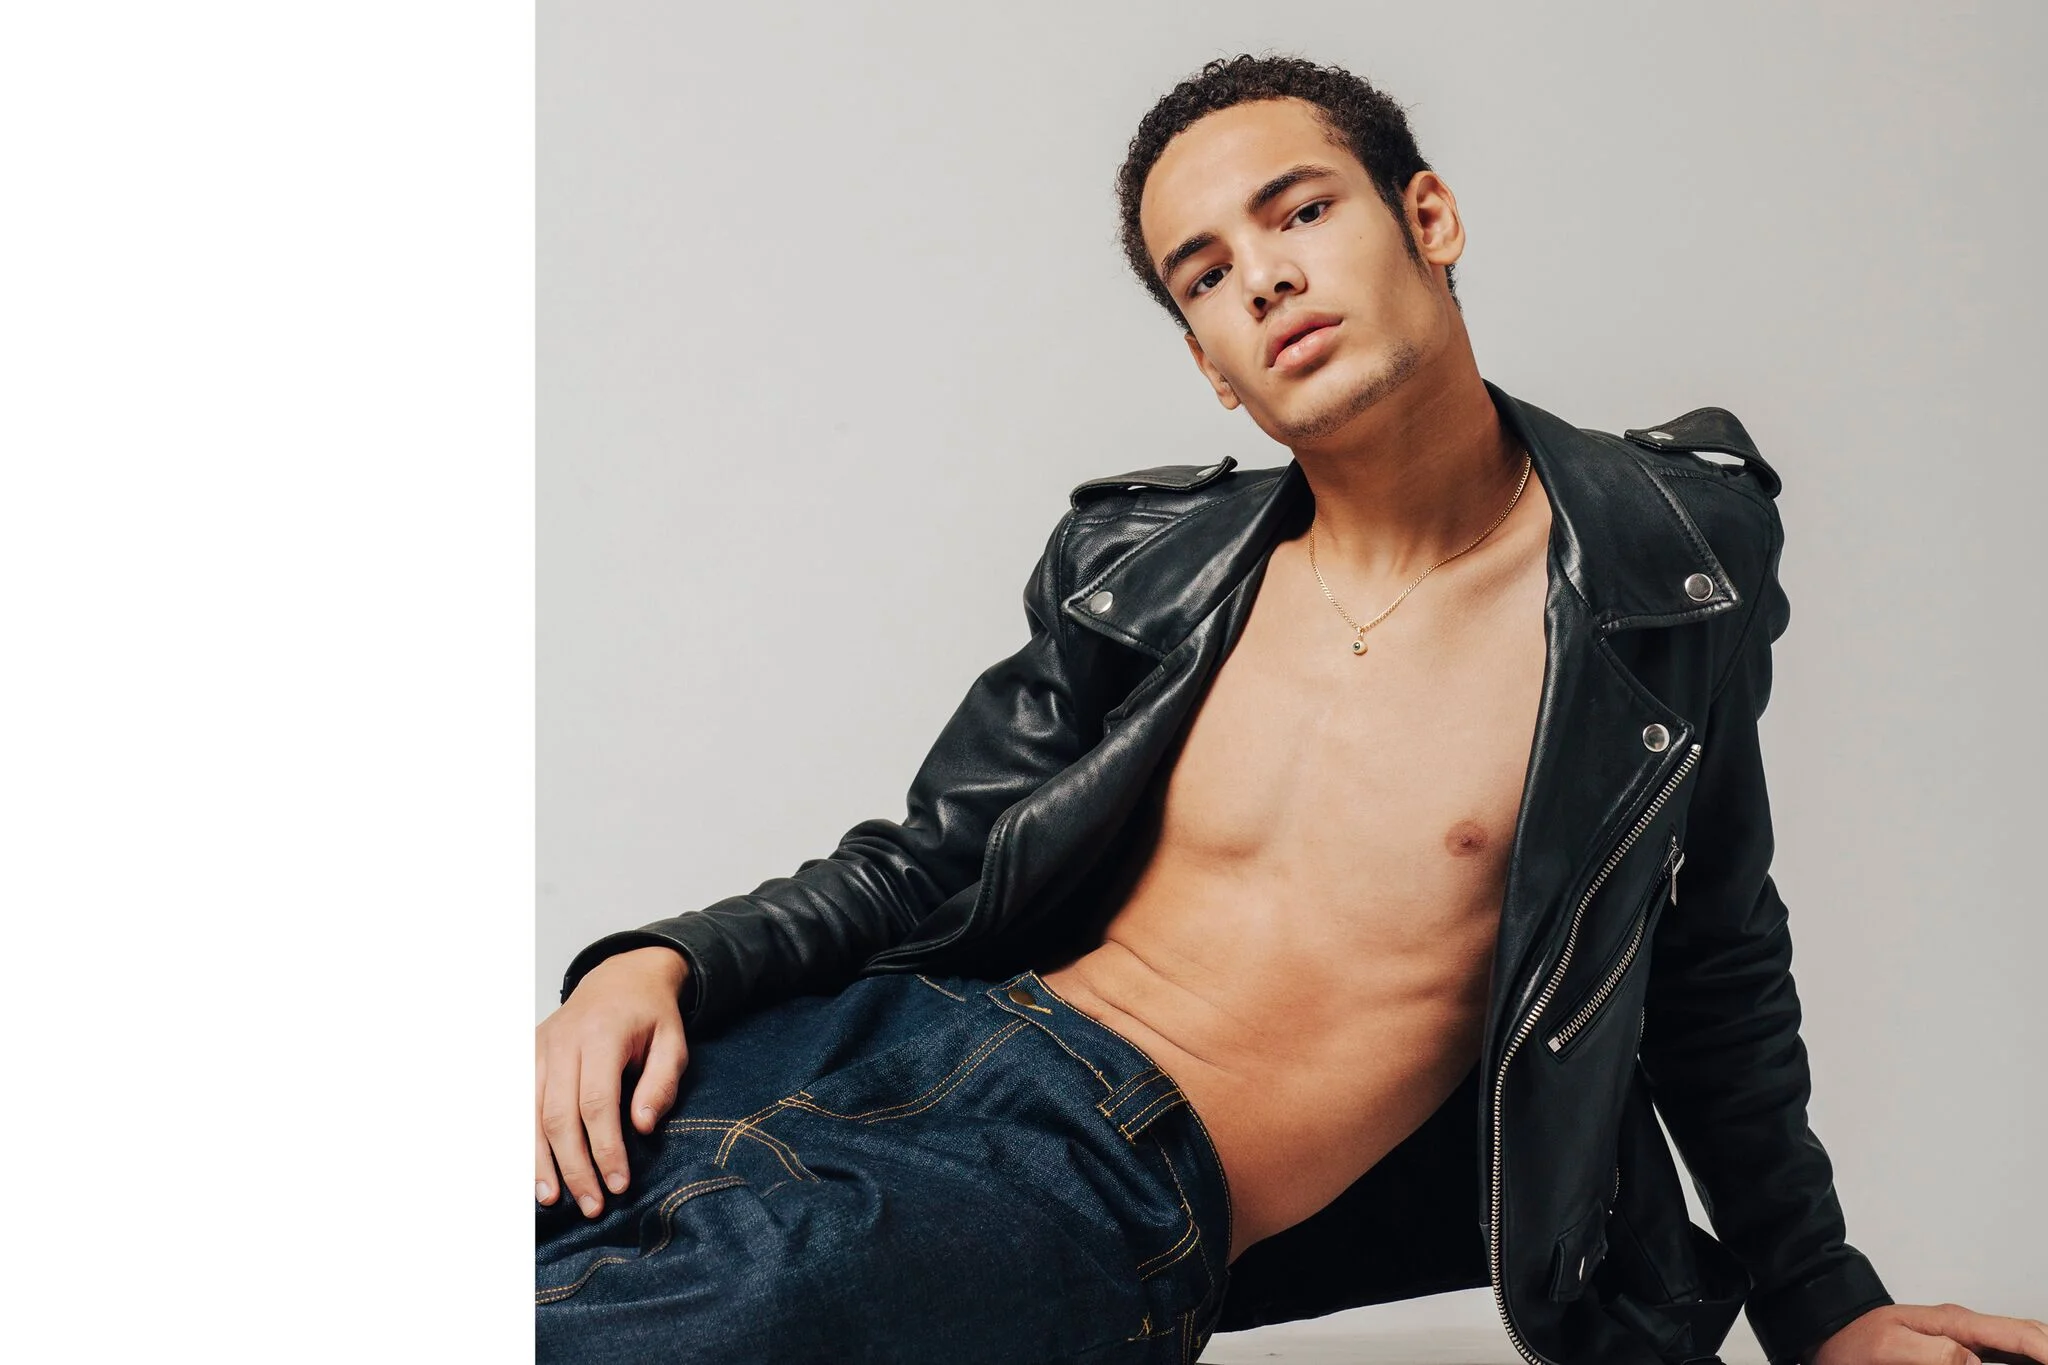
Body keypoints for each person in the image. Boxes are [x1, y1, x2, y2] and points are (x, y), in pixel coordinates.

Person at [535, 53, 2047, 1365]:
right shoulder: (1140, 568)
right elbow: (930, 860)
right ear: (1209, 363)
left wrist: (1823, 1306)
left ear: (1428, 219)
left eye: (1301, 211)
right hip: (859, 1044)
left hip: (1097, 1177)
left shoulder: (1663, 570)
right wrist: (661, 961)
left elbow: (1714, 957)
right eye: (1204, 274)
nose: (1260, 278)